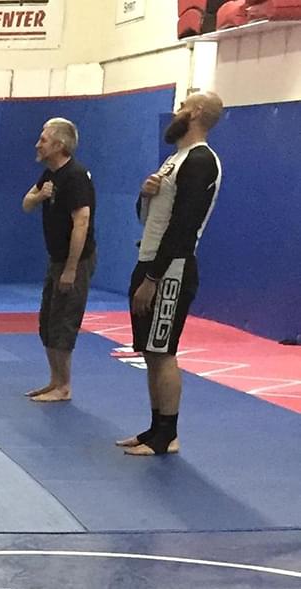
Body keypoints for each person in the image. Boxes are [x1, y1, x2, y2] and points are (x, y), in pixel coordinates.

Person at [117, 91, 225, 457]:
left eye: (182, 107)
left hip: (172, 268)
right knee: (149, 350)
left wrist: (154, 277)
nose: (176, 112)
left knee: (163, 351)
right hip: (149, 257)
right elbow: (152, 218)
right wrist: (144, 195)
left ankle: (168, 434)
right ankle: (155, 427)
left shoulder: (201, 160)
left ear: (194, 113)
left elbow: (183, 224)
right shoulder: (173, 160)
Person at [20, 118, 96, 403]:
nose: (38, 144)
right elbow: (26, 204)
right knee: (48, 322)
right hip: (56, 259)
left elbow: (82, 222)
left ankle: (64, 386)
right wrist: (40, 195)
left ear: (59, 145)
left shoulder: (75, 176)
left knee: (64, 322)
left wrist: (71, 269)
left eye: (43, 140)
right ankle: (54, 380)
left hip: (74, 260)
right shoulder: (50, 175)